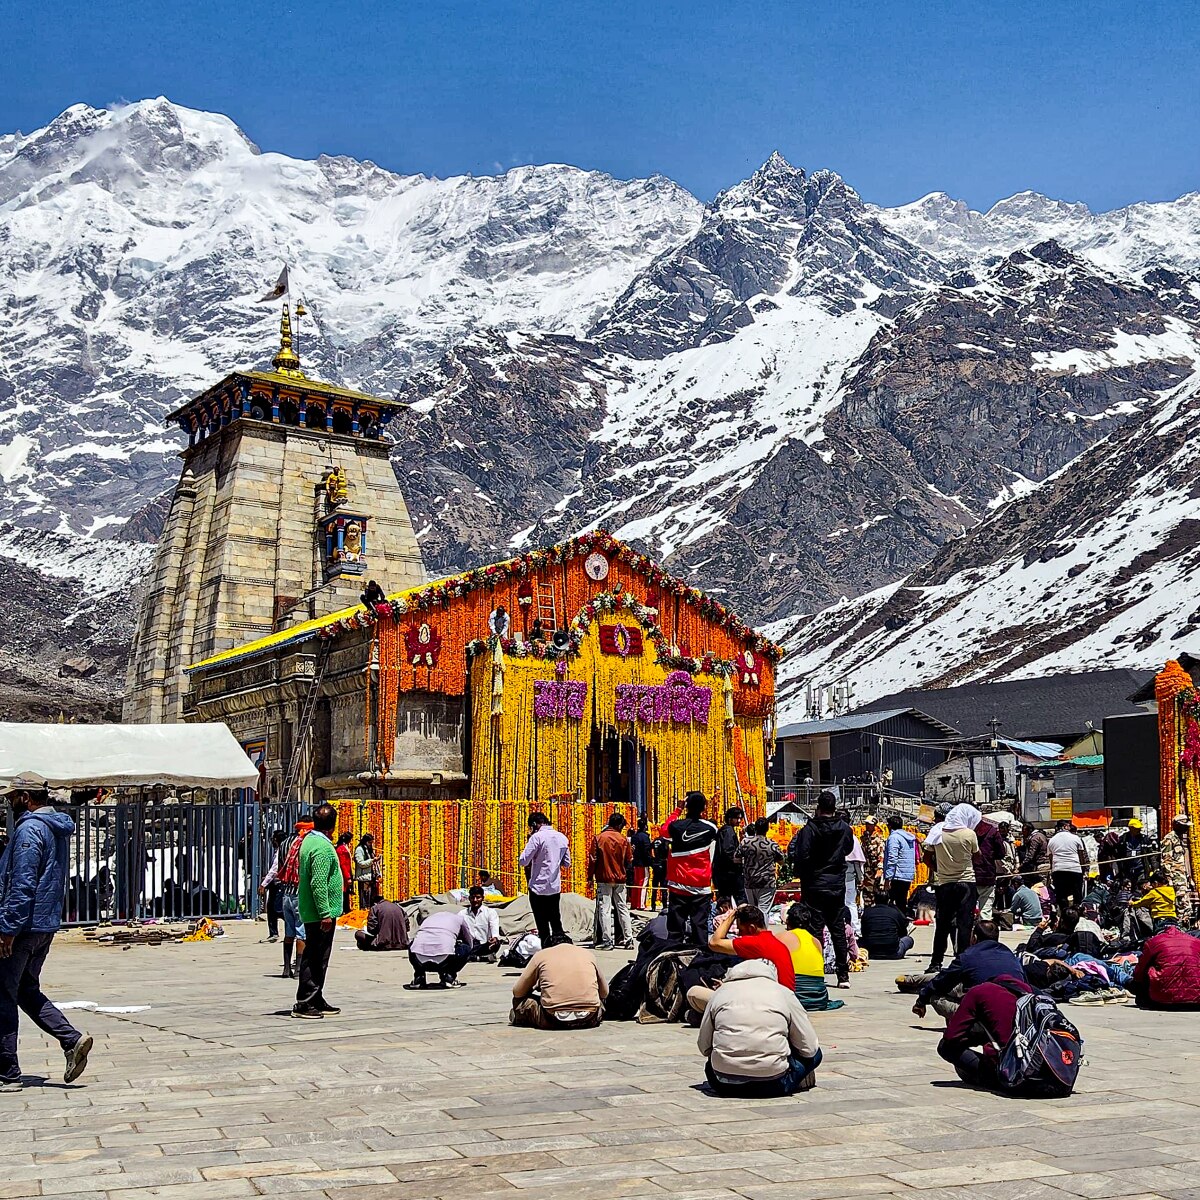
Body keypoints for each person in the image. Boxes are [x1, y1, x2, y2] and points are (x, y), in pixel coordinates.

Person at [0, 788, 93, 1091]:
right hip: (44, 924)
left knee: (2, 994)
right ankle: (71, 1039)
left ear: (25, 797)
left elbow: (22, 883)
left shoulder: (29, 830)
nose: (8, 800)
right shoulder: (56, 828)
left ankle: (7, 1072)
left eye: (11, 795)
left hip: (23, 927)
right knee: (26, 990)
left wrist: (7, 929)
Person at [696, 959, 822, 1097]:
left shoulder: (720, 993)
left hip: (724, 1085)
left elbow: (704, 1047)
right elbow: (809, 1049)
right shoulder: (784, 993)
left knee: (712, 1060)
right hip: (774, 1084)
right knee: (816, 1053)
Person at [788, 791, 854, 988]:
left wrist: (806, 872)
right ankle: (843, 976)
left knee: (815, 928)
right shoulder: (844, 828)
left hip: (815, 883)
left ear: (818, 808)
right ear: (834, 807)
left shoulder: (810, 829)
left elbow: (801, 854)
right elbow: (848, 849)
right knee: (838, 929)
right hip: (836, 883)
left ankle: (816, 970)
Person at [688, 904, 795, 1013]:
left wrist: (733, 914)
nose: (739, 934)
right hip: (784, 1002)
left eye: (740, 930)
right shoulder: (777, 943)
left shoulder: (754, 943)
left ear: (751, 928)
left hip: (764, 1005)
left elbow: (714, 943)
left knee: (694, 993)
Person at [910, 919, 1026, 1018]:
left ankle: (958, 1027)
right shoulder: (1010, 955)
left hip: (984, 1015)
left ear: (974, 937)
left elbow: (941, 982)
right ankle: (915, 980)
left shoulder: (968, 956)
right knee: (956, 984)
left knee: (936, 996)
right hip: (1014, 1013)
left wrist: (921, 1001)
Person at [292, 803, 343, 1019]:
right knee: (314, 956)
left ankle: (316, 996)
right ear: (333, 825)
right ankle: (305, 1002)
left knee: (318, 956)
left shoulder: (309, 840)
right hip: (320, 912)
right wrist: (325, 913)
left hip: (312, 909)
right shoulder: (322, 847)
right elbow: (318, 883)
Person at [937, 975, 1033, 1088]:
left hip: (1011, 1070)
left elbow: (951, 1036)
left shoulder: (980, 991)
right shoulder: (1030, 993)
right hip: (1039, 1063)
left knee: (945, 1047)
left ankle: (990, 1078)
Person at [510, 936, 608, 1029]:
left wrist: (534, 987)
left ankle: (520, 1017)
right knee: (600, 1001)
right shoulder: (588, 954)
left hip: (552, 1019)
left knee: (519, 1002)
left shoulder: (542, 955)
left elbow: (517, 992)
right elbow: (604, 993)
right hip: (590, 1017)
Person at [928, 803, 980, 970]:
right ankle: (962, 960)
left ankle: (936, 962)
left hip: (944, 884)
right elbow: (977, 856)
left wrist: (939, 868)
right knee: (965, 924)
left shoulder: (937, 832)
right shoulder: (969, 834)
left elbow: (926, 857)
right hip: (966, 883)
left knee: (942, 924)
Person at [666, 792, 719, 947]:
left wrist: (678, 810)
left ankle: (672, 958)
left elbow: (663, 831)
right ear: (704, 807)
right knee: (699, 925)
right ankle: (701, 958)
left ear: (686, 806)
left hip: (678, 885)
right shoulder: (711, 829)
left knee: (675, 928)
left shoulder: (675, 826)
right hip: (701, 887)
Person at [774, 903, 844, 1012]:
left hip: (795, 996)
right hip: (818, 997)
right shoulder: (816, 942)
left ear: (788, 920)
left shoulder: (781, 937)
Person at [518, 813, 571, 947]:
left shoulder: (537, 838)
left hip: (538, 887)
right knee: (555, 918)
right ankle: (559, 944)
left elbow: (523, 861)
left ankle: (546, 946)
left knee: (541, 922)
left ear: (535, 824)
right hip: (554, 886)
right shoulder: (562, 837)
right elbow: (567, 863)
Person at [588, 812, 633, 950]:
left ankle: (607, 940)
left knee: (605, 909)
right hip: (620, 879)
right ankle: (628, 939)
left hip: (603, 878)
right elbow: (629, 860)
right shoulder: (623, 839)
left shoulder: (599, 838)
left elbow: (592, 859)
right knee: (623, 908)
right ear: (619, 825)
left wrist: (590, 877)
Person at [1131, 924, 1200, 1009]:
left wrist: (1136, 986)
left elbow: (1139, 972)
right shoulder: (1196, 942)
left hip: (1161, 1000)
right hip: (1196, 1001)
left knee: (1146, 967)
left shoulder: (1154, 941)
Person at [407, 908, 474, 988]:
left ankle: (419, 978)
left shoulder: (428, 919)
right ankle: (449, 977)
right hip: (444, 962)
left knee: (413, 945)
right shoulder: (459, 919)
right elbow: (469, 940)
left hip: (419, 961)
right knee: (465, 948)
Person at [734, 816, 784, 922]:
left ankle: (752, 934)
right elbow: (782, 861)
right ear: (767, 829)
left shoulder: (745, 842)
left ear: (755, 828)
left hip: (750, 881)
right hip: (767, 882)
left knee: (752, 910)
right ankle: (763, 935)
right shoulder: (772, 844)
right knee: (763, 911)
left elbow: (736, 859)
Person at [1048, 819, 1088, 911]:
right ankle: (1077, 913)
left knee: (1061, 896)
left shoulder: (1052, 840)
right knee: (1077, 895)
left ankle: (1064, 914)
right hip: (1075, 870)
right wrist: (1084, 869)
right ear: (1065, 826)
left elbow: (1051, 858)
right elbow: (1081, 856)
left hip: (1058, 870)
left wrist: (1053, 870)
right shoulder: (1075, 838)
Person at [858, 893, 914, 960]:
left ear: (874, 900)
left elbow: (864, 931)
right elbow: (903, 931)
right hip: (893, 952)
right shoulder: (894, 912)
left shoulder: (867, 912)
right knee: (909, 939)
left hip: (871, 951)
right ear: (888, 900)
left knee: (858, 941)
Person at [1160, 814, 1194, 921]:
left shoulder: (1179, 839)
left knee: (1185, 905)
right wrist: (1169, 879)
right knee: (1181, 905)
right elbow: (1166, 860)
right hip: (1175, 878)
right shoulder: (1169, 839)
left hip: (1182, 877)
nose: (1186, 829)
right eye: (1184, 826)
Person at [974, 815, 1006, 921]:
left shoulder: (965, 830)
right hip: (987, 874)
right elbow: (1001, 853)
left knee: (967, 911)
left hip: (968, 875)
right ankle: (985, 934)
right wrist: (990, 856)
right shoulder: (992, 830)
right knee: (986, 910)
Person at [712, 806, 746, 905]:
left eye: (740, 818)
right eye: (737, 818)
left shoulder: (726, 830)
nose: (739, 821)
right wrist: (738, 861)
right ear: (730, 818)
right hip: (729, 873)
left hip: (723, 872)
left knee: (725, 899)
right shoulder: (728, 831)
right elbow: (728, 851)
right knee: (739, 897)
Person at [882, 814, 917, 909]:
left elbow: (892, 858)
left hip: (897, 875)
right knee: (901, 901)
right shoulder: (909, 838)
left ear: (890, 826)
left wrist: (888, 877)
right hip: (907, 875)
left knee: (891, 902)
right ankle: (902, 921)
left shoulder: (894, 838)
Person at [260, 829, 287, 942]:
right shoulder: (278, 851)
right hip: (274, 883)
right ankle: (273, 933)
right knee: (271, 909)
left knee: (278, 909)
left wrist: (263, 884)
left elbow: (274, 870)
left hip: (279, 884)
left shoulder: (281, 851)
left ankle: (294, 928)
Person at [462, 885, 501, 960]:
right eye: (473, 897)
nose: (475, 900)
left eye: (478, 897)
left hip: (485, 945)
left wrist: (494, 938)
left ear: (482, 898)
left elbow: (494, 928)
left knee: (496, 944)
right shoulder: (462, 914)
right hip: (469, 946)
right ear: (469, 898)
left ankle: (473, 957)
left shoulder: (490, 912)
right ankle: (481, 958)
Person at [859, 819, 886, 906]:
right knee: (866, 890)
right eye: (866, 824)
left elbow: (881, 853)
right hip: (866, 867)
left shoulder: (879, 838)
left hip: (875, 867)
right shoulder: (863, 838)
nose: (867, 826)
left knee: (875, 890)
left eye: (869, 824)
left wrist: (880, 868)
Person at [630, 817, 653, 910]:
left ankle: (634, 903)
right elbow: (646, 850)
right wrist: (650, 861)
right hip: (643, 863)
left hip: (635, 862)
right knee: (643, 883)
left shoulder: (634, 836)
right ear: (645, 826)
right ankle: (641, 904)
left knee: (636, 883)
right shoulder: (645, 836)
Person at [354, 834, 380, 910]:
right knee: (364, 897)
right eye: (369, 842)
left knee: (370, 897)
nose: (371, 844)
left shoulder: (369, 850)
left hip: (371, 877)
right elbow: (361, 863)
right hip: (364, 877)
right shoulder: (359, 849)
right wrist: (372, 860)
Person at [649, 828, 669, 911]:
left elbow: (651, 851)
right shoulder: (665, 842)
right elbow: (667, 853)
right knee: (663, 886)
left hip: (656, 864)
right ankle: (664, 905)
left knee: (655, 886)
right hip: (663, 865)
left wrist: (653, 861)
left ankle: (653, 905)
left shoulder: (655, 841)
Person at [335, 832, 354, 915]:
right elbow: (343, 864)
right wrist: (348, 876)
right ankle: (343, 909)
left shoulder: (343, 847)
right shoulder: (341, 849)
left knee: (346, 892)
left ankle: (346, 908)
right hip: (344, 873)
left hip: (346, 872)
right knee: (344, 892)